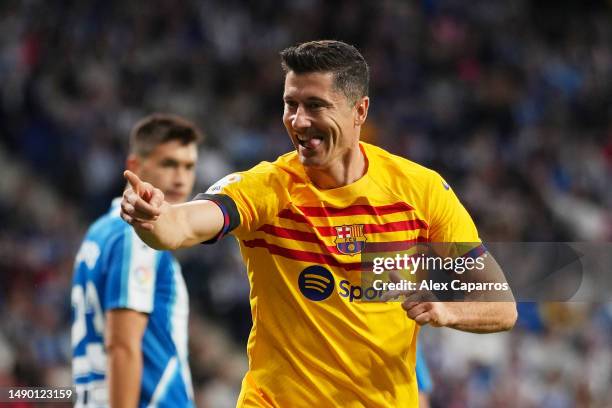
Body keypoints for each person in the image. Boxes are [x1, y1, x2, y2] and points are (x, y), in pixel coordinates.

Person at [120, 40, 517, 407]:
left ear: (359, 110)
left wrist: (449, 312)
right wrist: (154, 219)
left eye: (315, 105)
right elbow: (184, 226)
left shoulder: (420, 191)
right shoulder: (269, 189)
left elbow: (501, 306)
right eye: (290, 104)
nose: (298, 120)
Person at [71, 113, 202, 407]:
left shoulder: (99, 231)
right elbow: (122, 346)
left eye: (189, 166)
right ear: (135, 166)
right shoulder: (136, 237)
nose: (180, 178)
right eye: (168, 164)